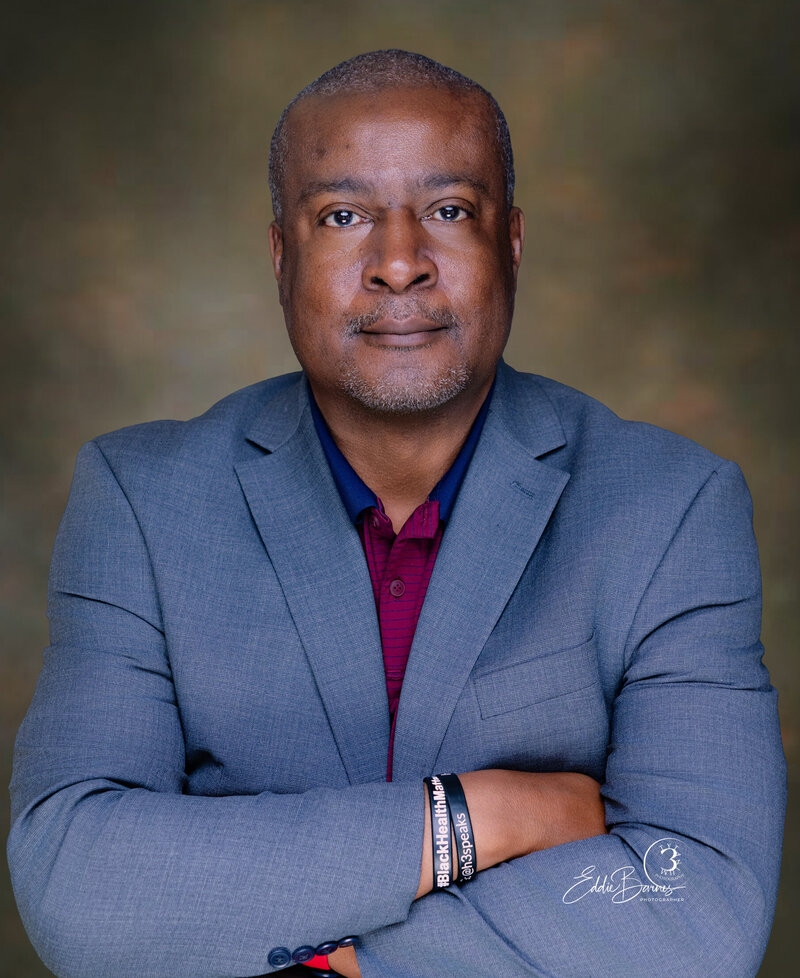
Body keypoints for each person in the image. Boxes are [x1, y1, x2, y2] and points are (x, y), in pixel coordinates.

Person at [8, 49, 785, 978]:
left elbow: (699, 920)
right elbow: (76, 884)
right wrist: (484, 816)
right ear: (280, 254)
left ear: (514, 243)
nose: (400, 263)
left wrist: (340, 965)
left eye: (449, 211)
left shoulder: (672, 508)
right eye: (343, 216)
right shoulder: (141, 499)